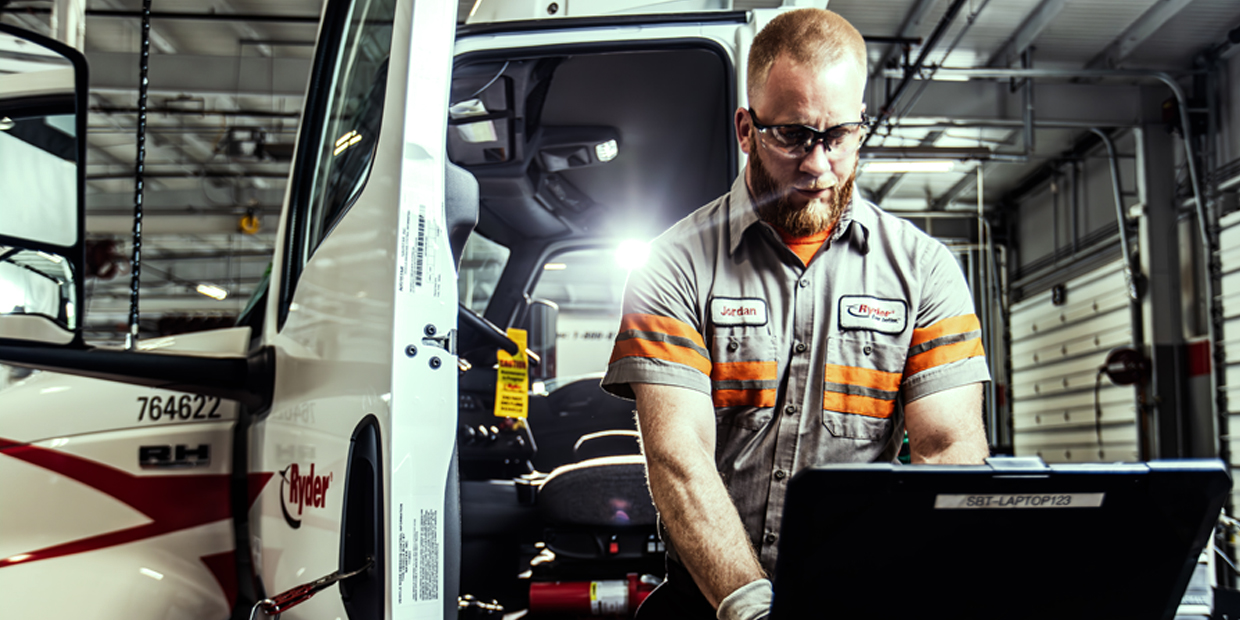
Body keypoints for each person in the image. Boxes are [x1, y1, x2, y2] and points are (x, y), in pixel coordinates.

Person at [600, 8, 991, 620]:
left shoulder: (925, 270)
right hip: (711, 601)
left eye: (837, 137)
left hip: (863, 598)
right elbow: (679, 455)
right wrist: (751, 606)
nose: (817, 165)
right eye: (792, 136)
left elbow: (948, 450)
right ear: (745, 128)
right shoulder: (672, 264)